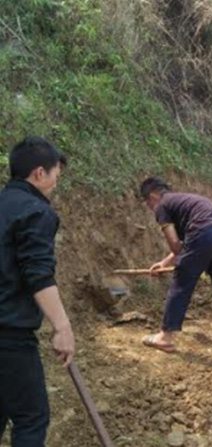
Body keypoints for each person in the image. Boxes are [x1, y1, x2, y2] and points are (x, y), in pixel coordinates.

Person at [0, 137, 75, 447]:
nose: (58, 181)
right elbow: (38, 274)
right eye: (57, 172)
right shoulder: (35, 212)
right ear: (39, 173)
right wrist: (62, 326)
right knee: (32, 417)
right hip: (9, 335)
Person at [141, 177, 212, 356]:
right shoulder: (184, 201)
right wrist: (165, 263)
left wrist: (185, 264)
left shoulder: (162, 206)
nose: (150, 208)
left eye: (148, 203)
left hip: (205, 234)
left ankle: (165, 337)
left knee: (182, 284)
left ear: (153, 196)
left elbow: (175, 243)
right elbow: (189, 243)